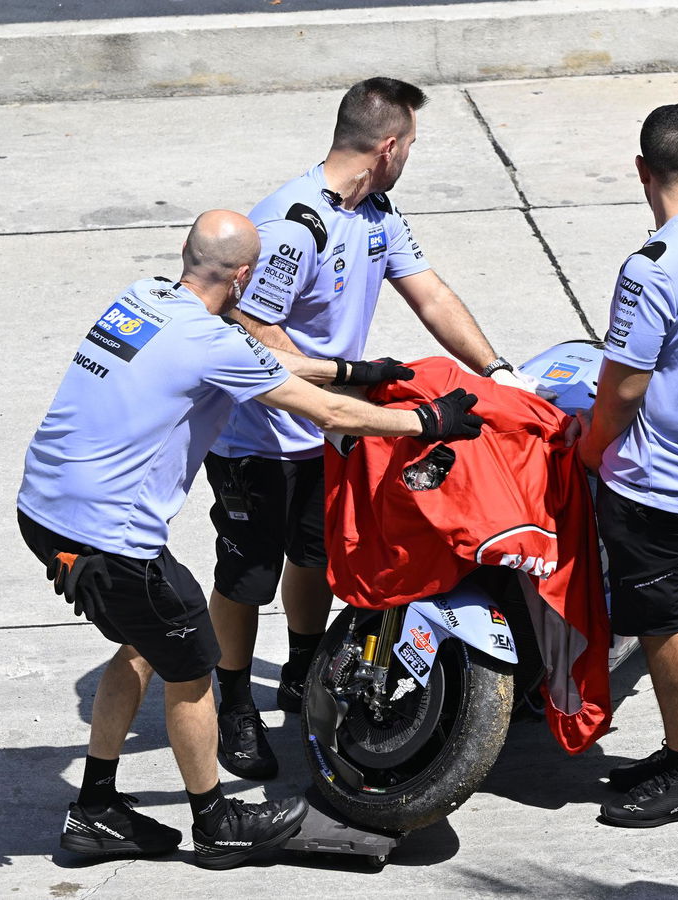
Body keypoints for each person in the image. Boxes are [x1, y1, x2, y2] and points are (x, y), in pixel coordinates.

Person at [15, 210, 484, 868]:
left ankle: (95, 809)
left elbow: (266, 363)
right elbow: (327, 415)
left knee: (143, 643)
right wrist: (425, 418)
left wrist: (352, 368)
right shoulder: (211, 343)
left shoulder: (142, 299)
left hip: (44, 514)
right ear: (241, 278)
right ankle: (218, 821)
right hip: (106, 537)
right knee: (191, 665)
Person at [204, 77, 521, 781]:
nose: (409, 155)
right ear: (387, 147)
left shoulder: (377, 213)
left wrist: (496, 370)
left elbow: (430, 293)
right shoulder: (294, 223)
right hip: (258, 439)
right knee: (247, 576)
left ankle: (300, 666)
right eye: (409, 143)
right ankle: (231, 701)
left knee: (317, 554)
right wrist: (343, 376)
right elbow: (252, 326)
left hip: (332, 431)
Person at [577, 103, 678, 828]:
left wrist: (588, 450)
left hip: (657, 472)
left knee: (663, 619)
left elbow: (623, 387)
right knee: (672, 609)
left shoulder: (652, 267)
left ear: (642, 172)